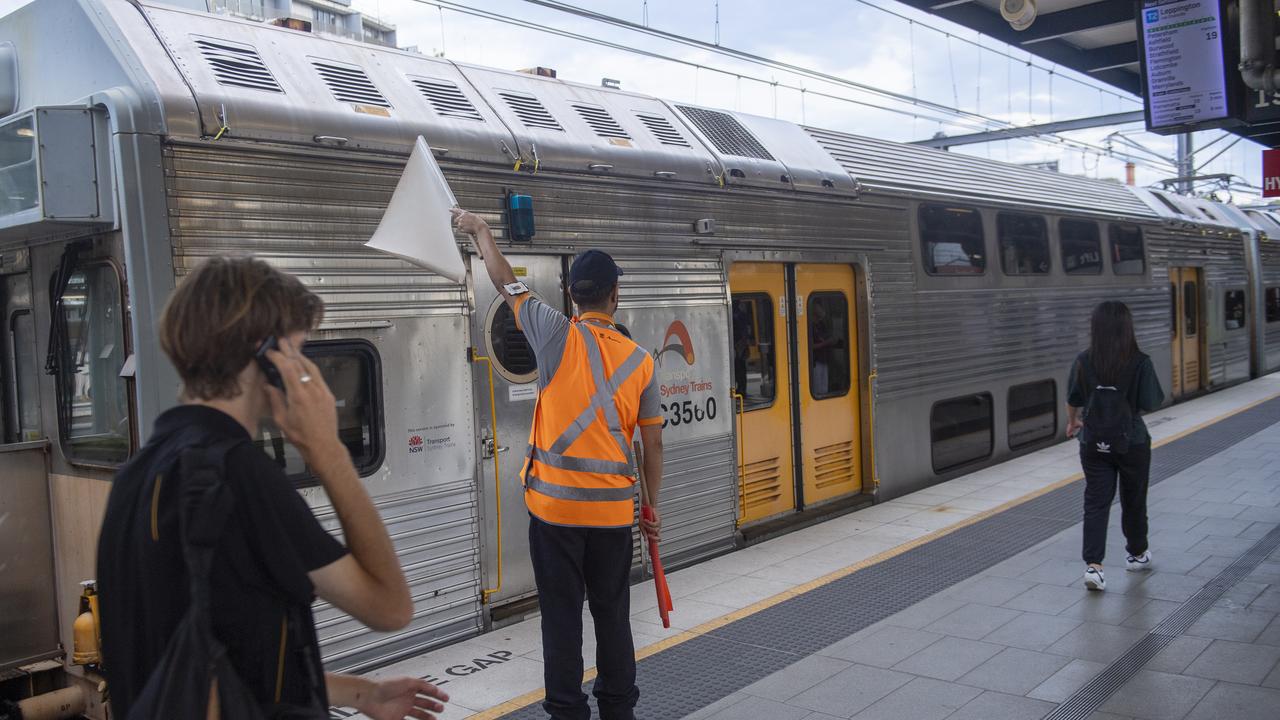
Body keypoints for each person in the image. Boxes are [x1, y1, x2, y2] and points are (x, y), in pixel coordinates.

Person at [97, 257, 449, 719]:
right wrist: (329, 454)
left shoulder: (136, 476)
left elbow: (209, 662)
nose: (304, 368)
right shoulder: (240, 475)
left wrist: (363, 694)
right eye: (297, 351)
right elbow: (390, 607)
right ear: (263, 354)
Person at [453, 208, 663, 720]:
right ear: (615, 296)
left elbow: (505, 283)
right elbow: (651, 447)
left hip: (553, 513)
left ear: (573, 296)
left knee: (561, 618)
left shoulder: (553, 333)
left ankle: (568, 711)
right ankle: (619, 709)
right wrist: (650, 509)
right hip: (613, 516)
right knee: (613, 615)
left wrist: (482, 231)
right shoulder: (642, 362)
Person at [1066, 300, 1165, 592]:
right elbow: (1151, 401)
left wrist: (1073, 422)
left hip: (1093, 442)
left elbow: (1074, 398)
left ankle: (1094, 567)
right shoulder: (1140, 361)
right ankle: (1137, 554)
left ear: (1095, 328)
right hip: (1132, 442)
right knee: (1134, 499)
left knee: (1096, 502)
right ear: (1127, 328)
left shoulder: (1083, 360)